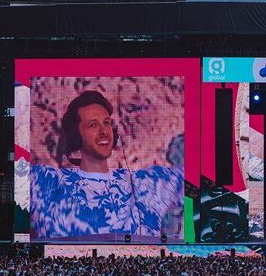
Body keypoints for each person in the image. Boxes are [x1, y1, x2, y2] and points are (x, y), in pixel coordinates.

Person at [28, 90, 184, 241]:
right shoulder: (45, 183)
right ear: (76, 135)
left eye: (107, 123)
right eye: (93, 125)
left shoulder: (147, 184)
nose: (104, 131)